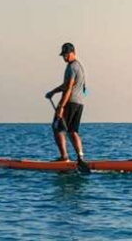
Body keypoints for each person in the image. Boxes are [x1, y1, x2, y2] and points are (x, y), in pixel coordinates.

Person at [45, 42, 90, 172]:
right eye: (63, 55)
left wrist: (61, 106)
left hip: (70, 102)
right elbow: (67, 85)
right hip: (79, 103)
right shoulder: (79, 66)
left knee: (57, 127)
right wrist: (53, 92)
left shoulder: (72, 67)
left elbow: (69, 87)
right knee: (72, 131)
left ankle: (64, 157)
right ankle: (80, 158)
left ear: (73, 53)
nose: (64, 57)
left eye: (66, 55)